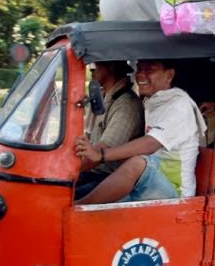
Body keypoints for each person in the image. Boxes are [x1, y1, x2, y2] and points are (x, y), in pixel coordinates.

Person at [74, 59, 206, 204]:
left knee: (137, 163)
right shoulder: (154, 102)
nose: (141, 75)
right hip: (149, 181)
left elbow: (150, 144)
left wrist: (101, 155)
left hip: (175, 192)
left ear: (169, 75)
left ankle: (79, 208)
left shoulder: (179, 106)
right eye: (139, 69)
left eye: (149, 70)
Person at [75, 61, 145, 199]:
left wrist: (66, 172)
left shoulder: (127, 104)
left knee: (63, 199)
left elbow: (98, 155)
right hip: (92, 171)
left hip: (107, 177)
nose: (91, 71)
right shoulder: (104, 97)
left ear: (111, 66)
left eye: (95, 67)